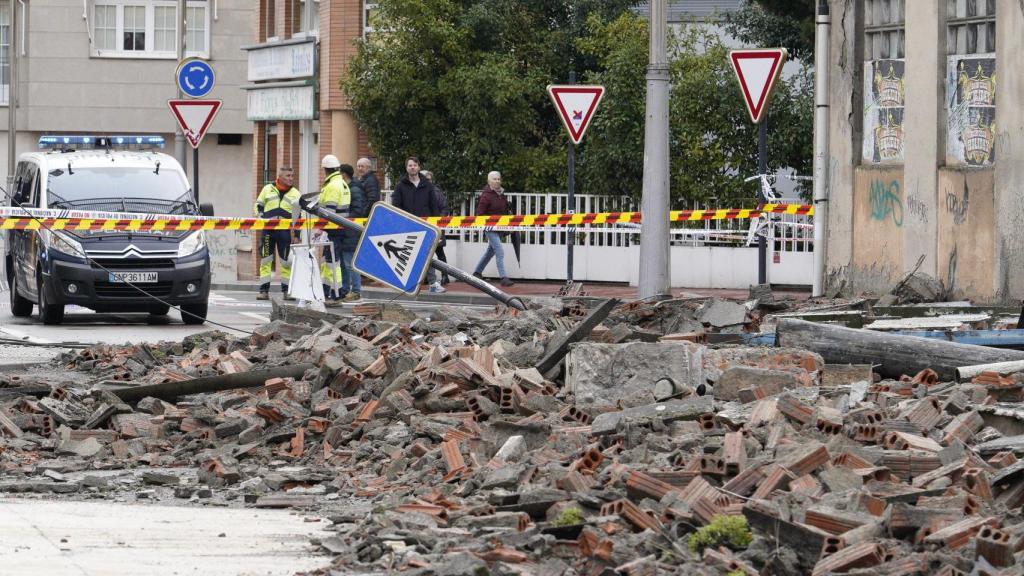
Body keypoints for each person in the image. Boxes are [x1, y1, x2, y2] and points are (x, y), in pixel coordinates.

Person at [391, 156, 445, 293]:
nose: (412, 167)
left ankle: (432, 283)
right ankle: (406, 283)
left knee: (427, 253)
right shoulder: (400, 186)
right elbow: (396, 207)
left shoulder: (427, 185)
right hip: (408, 226)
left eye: (414, 165)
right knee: (407, 255)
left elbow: (434, 206)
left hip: (426, 225)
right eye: (410, 165)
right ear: (406, 168)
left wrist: (437, 226)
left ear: (419, 167)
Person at [254, 166, 302, 300]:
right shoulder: (267, 189)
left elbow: (298, 217)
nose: (291, 178)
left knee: (286, 262)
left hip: (284, 232)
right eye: (288, 176)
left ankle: (287, 291)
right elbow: (258, 206)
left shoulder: (296, 194)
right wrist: (261, 218)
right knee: (266, 261)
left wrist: (297, 235)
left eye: (292, 176)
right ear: (280, 177)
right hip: (268, 232)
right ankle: (264, 291)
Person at [472, 171, 514, 287]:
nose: (497, 181)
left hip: (500, 227)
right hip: (490, 228)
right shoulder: (486, 196)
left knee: (490, 252)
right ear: (489, 181)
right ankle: (503, 278)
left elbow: (505, 212)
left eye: (499, 179)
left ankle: (477, 272)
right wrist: (489, 222)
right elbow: (479, 214)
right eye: (494, 179)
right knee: (499, 251)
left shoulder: (502, 194)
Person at [317, 155, 350, 302]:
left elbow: (328, 212)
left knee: (331, 262)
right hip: (340, 228)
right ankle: (329, 291)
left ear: (325, 169)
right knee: (332, 262)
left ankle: (333, 292)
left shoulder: (332, 186)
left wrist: (320, 227)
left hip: (332, 229)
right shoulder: (342, 183)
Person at [338, 163, 368, 301]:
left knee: (350, 262)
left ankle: (355, 290)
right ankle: (345, 289)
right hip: (346, 230)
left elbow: (357, 210)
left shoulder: (354, 189)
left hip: (351, 231)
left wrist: (343, 218)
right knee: (345, 263)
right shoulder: (349, 188)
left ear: (344, 174)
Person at [421, 170, 451, 285]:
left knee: (440, 252)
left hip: (435, 227)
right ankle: (426, 277)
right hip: (423, 227)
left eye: (428, 179)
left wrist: (438, 221)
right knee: (424, 253)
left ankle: (445, 276)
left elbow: (445, 208)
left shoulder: (436, 192)